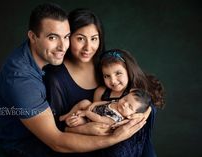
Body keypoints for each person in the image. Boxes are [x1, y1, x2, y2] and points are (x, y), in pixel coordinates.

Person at [0, 3, 146, 157]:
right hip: (26, 150)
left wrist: (143, 113)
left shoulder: (103, 64)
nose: (63, 46)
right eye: (52, 37)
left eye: (66, 37)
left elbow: (142, 94)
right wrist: (115, 137)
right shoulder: (21, 79)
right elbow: (56, 140)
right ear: (33, 37)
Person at [44, 8, 151, 157]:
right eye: (80, 38)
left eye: (94, 38)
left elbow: (142, 96)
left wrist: (142, 114)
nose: (88, 47)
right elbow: (55, 129)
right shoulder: (55, 77)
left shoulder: (106, 65)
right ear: (68, 37)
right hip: (79, 145)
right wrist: (86, 129)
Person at [54, 48, 165, 157]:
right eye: (107, 76)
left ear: (128, 71)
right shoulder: (101, 92)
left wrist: (140, 115)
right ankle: (67, 123)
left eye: (118, 73)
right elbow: (96, 116)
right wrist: (83, 121)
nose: (113, 80)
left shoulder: (135, 94)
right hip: (106, 141)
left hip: (136, 145)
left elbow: (148, 110)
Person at [60, 88, 151, 128]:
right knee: (85, 102)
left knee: (77, 121)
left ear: (133, 114)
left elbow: (100, 119)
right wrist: (94, 104)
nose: (124, 104)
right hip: (91, 111)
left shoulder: (116, 119)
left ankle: (69, 122)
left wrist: (86, 113)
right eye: (125, 99)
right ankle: (67, 115)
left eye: (130, 106)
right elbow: (105, 102)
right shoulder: (117, 102)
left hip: (91, 121)